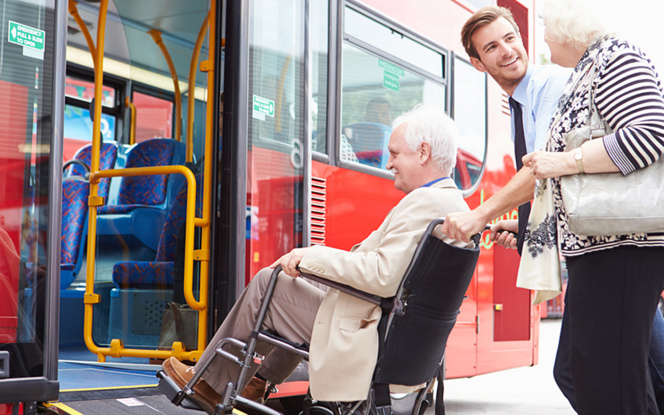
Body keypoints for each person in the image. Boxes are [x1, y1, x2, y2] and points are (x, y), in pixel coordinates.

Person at [161, 104, 472, 415]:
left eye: (394, 154)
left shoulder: (425, 202)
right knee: (297, 280)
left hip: (370, 335)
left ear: (423, 152)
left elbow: (381, 275)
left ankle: (208, 384)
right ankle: (257, 384)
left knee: (269, 284)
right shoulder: (453, 203)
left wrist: (310, 254)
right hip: (393, 334)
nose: (388, 163)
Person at [447, 5, 664, 413]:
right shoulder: (577, 75)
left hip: (621, 242)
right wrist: (528, 225)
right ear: (478, 62)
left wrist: (482, 214)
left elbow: (647, 134)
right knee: (610, 377)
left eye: (515, 37)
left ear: (570, 31)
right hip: (602, 245)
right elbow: (556, 180)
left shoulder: (586, 69)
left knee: (605, 378)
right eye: (492, 46)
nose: (532, 43)